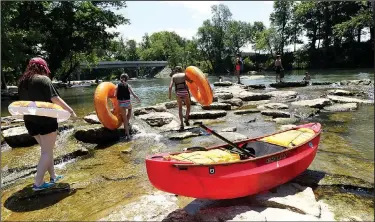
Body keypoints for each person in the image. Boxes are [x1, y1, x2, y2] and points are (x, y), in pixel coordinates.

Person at [18, 57, 77, 191]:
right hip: (45, 120)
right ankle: (38, 183)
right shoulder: (43, 79)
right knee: (47, 151)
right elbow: (55, 99)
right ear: (43, 67)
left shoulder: (22, 82)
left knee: (46, 150)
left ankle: (53, 176)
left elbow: (22, 103)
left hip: (30, 120)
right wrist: (70, 110)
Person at [114, 73, 141, 141]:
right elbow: (133, 94)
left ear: (120, 78)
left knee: (125, 120)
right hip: (127, 103)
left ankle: (128, 135)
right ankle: (127, 122)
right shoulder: (128, 85)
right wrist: (138, 99)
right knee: (130, 110)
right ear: (127, 79)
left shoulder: (117, 85)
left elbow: (114, 95)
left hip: (121, 104)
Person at [169, 66, 193, 131]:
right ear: (181, 69)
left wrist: (170, 95)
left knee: (180, 108)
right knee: (188, 106)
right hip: (185, 91)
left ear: (175, 70)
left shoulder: (173, 76)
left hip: (178, 92)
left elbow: (170, 87)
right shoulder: (184, 75)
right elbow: (190, 81)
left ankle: (182, 124)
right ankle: (186, 119)